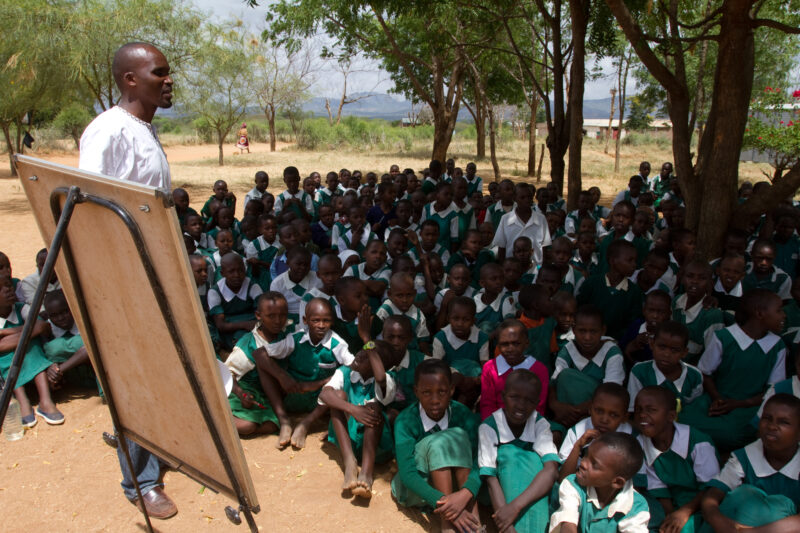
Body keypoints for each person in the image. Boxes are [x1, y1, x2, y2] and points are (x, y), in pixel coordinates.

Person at [78, 41, 177, 519]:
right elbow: (89, 209)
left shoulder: (142, 128)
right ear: (130, 80)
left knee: (157, 371)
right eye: (159, 72)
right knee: (135, 377)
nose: (169, 79)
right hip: (124, 281)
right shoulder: (107, 131)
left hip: (152, 275)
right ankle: (141, 480)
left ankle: (152, 451)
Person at [679, 288, 787, 451]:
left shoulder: (777, 346)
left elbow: (773, 389)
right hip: (718, 400)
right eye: (778, 310)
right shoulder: (724, 337)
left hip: (749, 406)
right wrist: (717, 398)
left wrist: (740, 404)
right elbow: (705, 373)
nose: (783, 315)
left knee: (734, 434)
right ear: (759, 314)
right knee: (682, 419)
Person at [391, 359, 482, 533]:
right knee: (441, 442)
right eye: (426, 392)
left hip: (456, 490)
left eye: (442, 392)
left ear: (452, 390)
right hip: (417, 490)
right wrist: (447, 505)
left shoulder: (462, 414)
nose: (435, 400)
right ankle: (447, 526)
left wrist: (465, 494)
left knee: (458, 436)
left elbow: (481, 458)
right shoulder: (405, 420)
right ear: (416, 392)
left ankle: (475, 524)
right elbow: (408, 475)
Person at [700, 394, 800, 532]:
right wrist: (722, 524)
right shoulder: (745, 457)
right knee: (744, 495)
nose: (772, 426)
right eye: (767, 418)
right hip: (734, 527)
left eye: (784, 422)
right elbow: (711, 498)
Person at [479, 370, 560, 533]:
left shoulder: (540, 424)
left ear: (537, 402)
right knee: (509, 454)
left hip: (523, 499)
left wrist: (515, 507)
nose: (521, 405)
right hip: (497, 496)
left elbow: (551, 470)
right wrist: (507, 526)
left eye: (529, 400)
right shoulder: (489, 427)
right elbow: (490, 479)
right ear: (503, 396)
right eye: (514, 397)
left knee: (537, 462)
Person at [632, 386, 720, 533]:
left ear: (671, 416)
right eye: (638, 409)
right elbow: (659, 490)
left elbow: (711, 488)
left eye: (651, 410)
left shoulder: (698, 442)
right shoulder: (640, 443)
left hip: (700, 504)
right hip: (670, 504)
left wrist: (683, 513)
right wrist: (670, 517)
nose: (642, 415)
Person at [319, 339, 396, 499]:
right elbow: (324, 395)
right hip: (348, 441)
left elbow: (381, 379)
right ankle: (350, 462)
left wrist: (362, 411)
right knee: (336, 396)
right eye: (362, 349)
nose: (360, 354)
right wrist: (352, 409)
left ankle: (367, 473)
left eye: (369, 355)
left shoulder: (387, 380)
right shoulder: (344, 372)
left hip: (375, 446)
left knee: (374, 408)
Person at [550, 432, 650, 533]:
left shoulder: (636, 506)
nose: (583, 463)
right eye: (586, 455)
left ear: (617, 482)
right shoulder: (573, 484)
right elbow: (568, 524)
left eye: (594, 464)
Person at [558, 383, 633, 479]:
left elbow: (636, 484)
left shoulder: (632, 438)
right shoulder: (578, 431)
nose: (604, 420)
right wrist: (578, 446)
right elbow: (563, 478)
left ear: (624, 417)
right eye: (599, 411)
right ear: (590, 409)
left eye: (613, 415)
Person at [479, 318, 549, 418]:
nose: (510, 349)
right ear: (498, 345)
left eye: (516, 343)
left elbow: (539, 407)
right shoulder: (490, 367)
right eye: (504, 344)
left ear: (526, 343)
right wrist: (494, 428)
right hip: (497, 423)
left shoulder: (539, 370)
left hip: (529, 422)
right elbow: (487, 404)